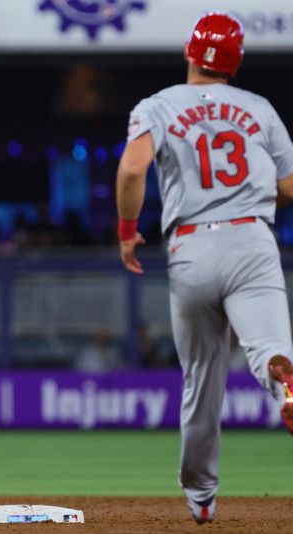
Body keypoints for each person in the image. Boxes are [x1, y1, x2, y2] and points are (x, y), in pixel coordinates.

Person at [116, 12, 293, 525]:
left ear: (191, 53)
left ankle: (200, 495)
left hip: (191, 247)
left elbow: (132, 169)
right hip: (252, 238)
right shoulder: (259, 109)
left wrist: (128, 233)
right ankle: (282, 380)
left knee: (201, 380)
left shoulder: (158, 105)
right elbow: (288, 186)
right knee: (270, 350)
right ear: (235, 62)